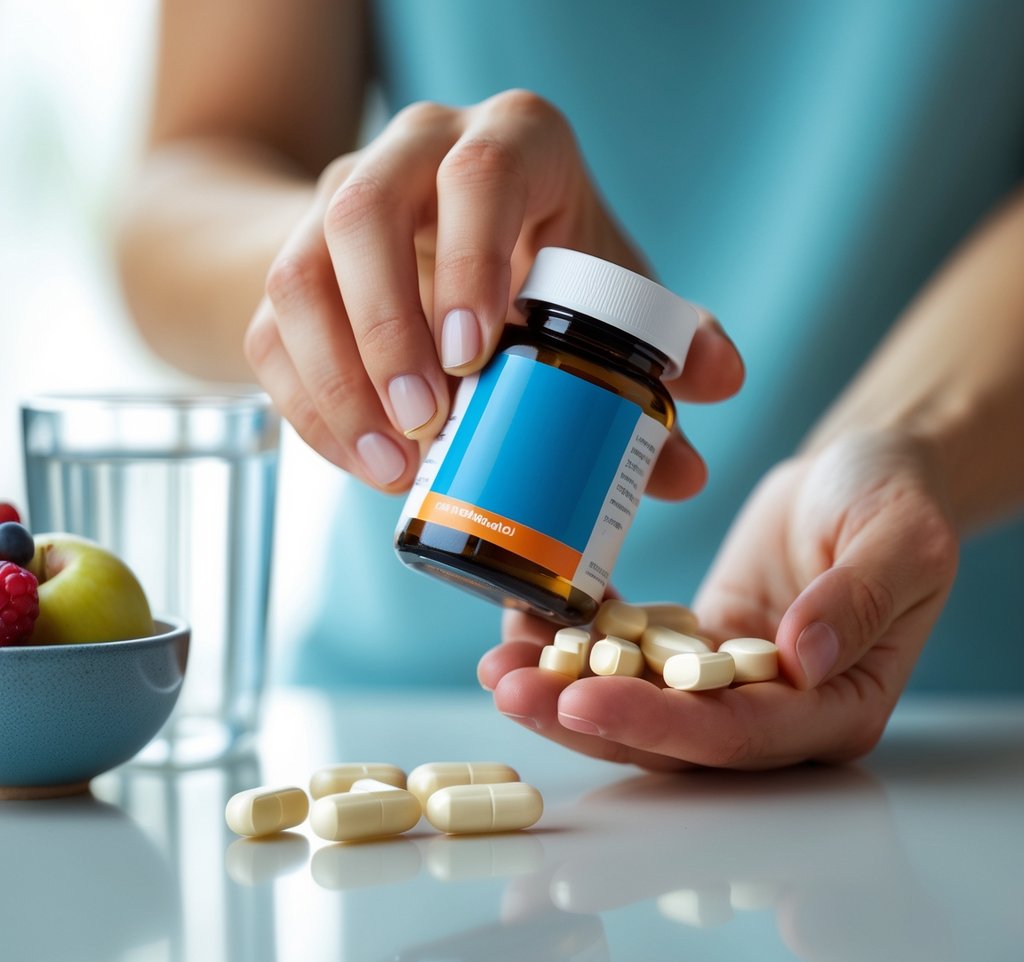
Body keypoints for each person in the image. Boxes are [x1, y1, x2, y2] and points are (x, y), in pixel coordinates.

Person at [118, 0, 1024, 770]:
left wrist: (916, 439)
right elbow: (181, 181)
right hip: (376, 720)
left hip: (944, 726)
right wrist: (368, 262)